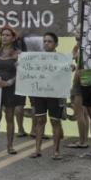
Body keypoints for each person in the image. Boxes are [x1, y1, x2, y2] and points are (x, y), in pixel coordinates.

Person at [0, 26, 24, 154]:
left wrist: (9, 82)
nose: (4, 37)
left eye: (8, 35)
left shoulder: (18, 54)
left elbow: (22, 72)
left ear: (13, 38)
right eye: (3, 35)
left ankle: (10, 146)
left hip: (11, 87)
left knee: (9, 116)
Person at [28, 32, 65, 160]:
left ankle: (56, 151)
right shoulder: (36, 58)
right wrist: (21, 66)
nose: (46, 43)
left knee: (55, 121)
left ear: (56, 44)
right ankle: (37, 149)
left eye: (49, 41)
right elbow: (28, 70)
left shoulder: (62, 58)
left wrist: (69, 67)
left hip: (55, 94)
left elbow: (65, 73)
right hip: (40, 93)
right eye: (44, 41)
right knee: (40, 121)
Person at [67, 24, 90, 149]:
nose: (76, 34)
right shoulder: (79, 47)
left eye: (78, 31)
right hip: (85, 82)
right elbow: (70, 57)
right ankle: (85, 139)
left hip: (81, 82)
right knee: (84, 113)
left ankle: (82, 141)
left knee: (79, 113)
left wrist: (73, 88)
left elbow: (79, 70)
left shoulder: (83, 48)